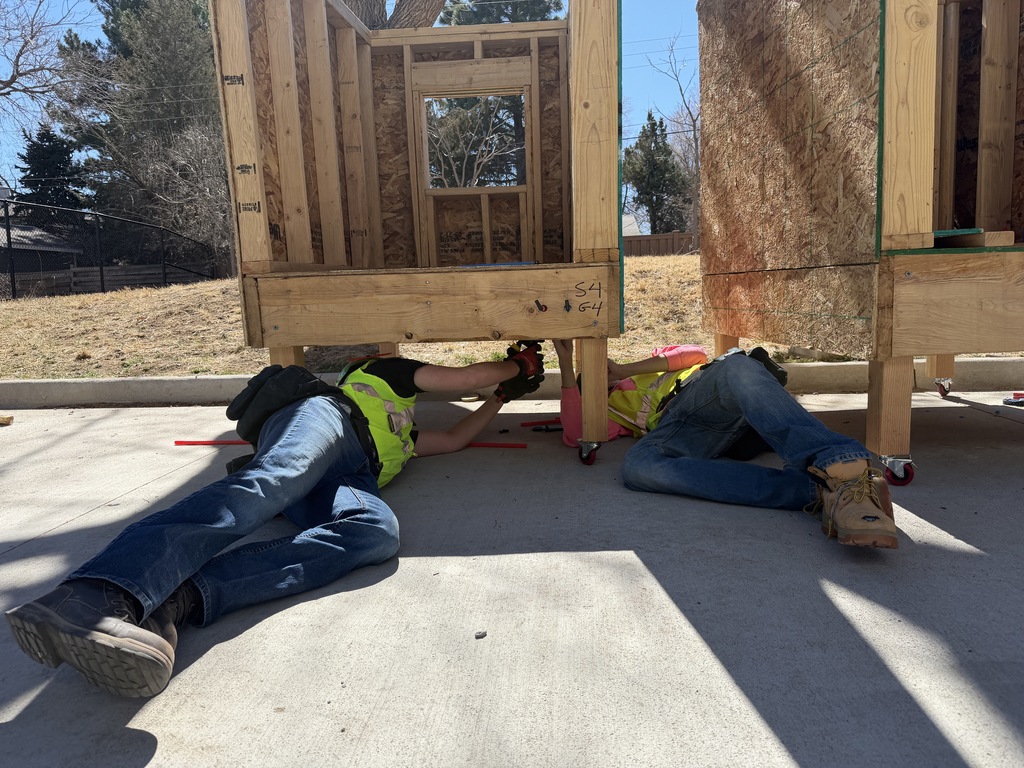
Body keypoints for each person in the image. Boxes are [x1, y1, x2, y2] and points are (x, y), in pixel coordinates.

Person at [5, 345, 545, 698]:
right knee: (273, 480)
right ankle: (98, 593)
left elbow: (452, 439)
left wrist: (502, 396)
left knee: (377, 531)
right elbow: (466, 376)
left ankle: (175, 601)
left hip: (354, 474)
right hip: (324, 421)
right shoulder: (381, 373)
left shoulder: (404, 436)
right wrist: (514, 366)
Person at [552, 340, 898, 550]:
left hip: (706, 393)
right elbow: (573, 433)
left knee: (738, 366)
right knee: (638, 468)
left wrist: (624, 369)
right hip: (681, 430)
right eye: (591, 384)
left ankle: (844, 471)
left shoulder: (645, 367)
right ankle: (817, 490)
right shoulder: (609, 416)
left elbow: (694, 354)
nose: (602, 382)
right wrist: (567, 366)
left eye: (602, 375)